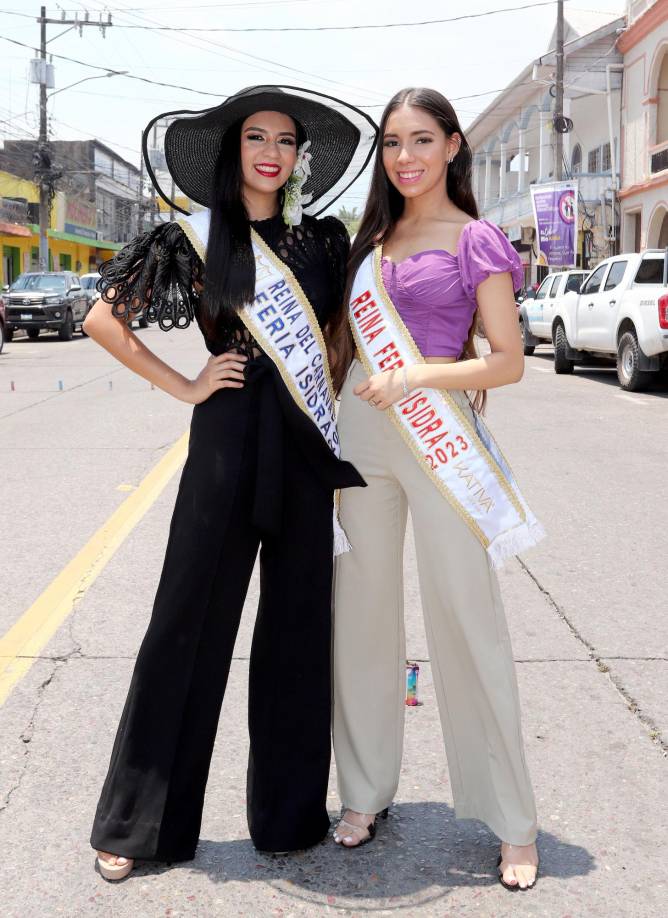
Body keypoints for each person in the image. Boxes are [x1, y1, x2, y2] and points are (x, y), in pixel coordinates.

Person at [84, 85, 377, 881]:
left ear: (298, 157)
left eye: (285, 141)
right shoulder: (192, 237)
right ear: (233, 150)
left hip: (306, 451)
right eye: (256, 138)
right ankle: (139, 824)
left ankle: (288, 820)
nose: (272, 153)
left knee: (296, 633)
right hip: (225, 442)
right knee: (187, 624)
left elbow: (345, 335)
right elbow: (103, 320)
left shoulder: (321, 241)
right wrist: (184, 386)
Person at [328, 87, 544, 891]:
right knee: (360, 614)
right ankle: (363, 790)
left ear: (454, 146)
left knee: (466, 614)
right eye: (392, 143)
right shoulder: (373, 237)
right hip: (362, 436)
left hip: (435, 431)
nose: (406, 157)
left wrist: (419, 373)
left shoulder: (474, 238)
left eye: (423, 140)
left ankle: (512, 819)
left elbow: (506, 359)